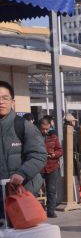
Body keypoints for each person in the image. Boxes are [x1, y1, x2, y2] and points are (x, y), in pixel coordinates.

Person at [0, 81, 46, 222]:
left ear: (12, 102)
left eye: (5, 98)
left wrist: (22, 173)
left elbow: (39, 155)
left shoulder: (23, 126)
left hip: (20, 194)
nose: (1, 102)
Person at [38, 116, 63, 218]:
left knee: (51, 190)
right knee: (34, 190)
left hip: (52, 166)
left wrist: (54, 154)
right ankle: (36, 210)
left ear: (49, 127)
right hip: (38, 167)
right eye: (43, 129)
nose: (45, 131)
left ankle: (51, 211)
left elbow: (60, 150)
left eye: (47, 129)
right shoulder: (34, 136)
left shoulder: (54, 137)